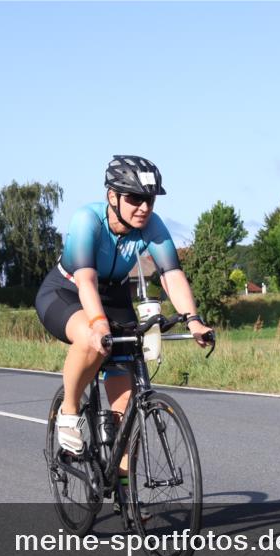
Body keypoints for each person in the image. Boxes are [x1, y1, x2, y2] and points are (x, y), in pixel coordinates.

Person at [35, 155, 213, 476]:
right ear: (112, 197)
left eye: (149, 200)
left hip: (115, 295)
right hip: (67, 291)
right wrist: (98, 324)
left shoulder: (151, 226)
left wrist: (193, 319)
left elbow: (171, 274)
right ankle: (70, 409)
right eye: (134, 199)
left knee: (126, 405)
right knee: (91, 340)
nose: (143, 207)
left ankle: (123, 492)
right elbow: (86, 279)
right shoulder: (86, 220)